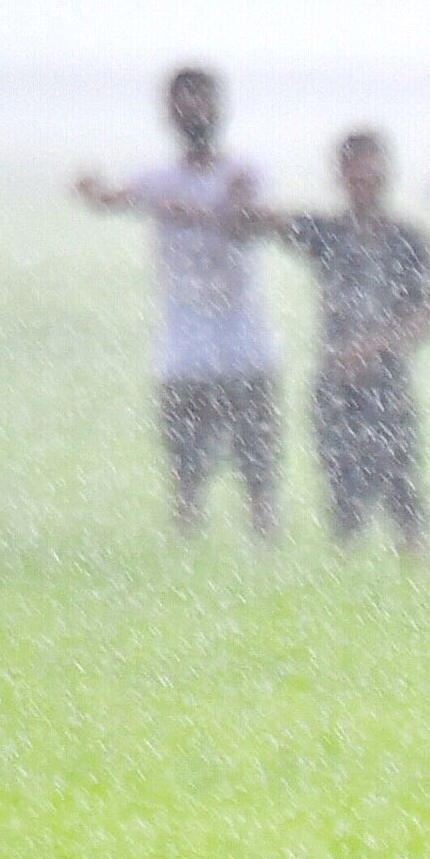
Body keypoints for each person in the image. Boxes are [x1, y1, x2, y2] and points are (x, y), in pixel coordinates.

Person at [75, 67, 282, 541]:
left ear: (218, 108)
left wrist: (196, 212)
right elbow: (112, 199)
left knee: (259, 479)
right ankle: (187, 566)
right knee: (187, 479)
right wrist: (92, 189)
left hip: (244, 352)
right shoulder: (157, 180)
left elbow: (250, 220)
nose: (192, 111)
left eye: (200, 101)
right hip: (184, 357)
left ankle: (264, 563)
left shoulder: (244, 174)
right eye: (182, 103)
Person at [257, 131, 430, 554]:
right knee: (343, 496)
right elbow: (261, 223)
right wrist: (242, 199)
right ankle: (351, 585)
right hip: (336, 386)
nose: (365, 182)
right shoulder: (326, 234)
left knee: (402, 490)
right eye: (356, 173)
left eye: (372, 174)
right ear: (341, 177)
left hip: (388, 386)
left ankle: (413, 584)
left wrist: (376, 345)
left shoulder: (409, 242)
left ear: (387, 176)